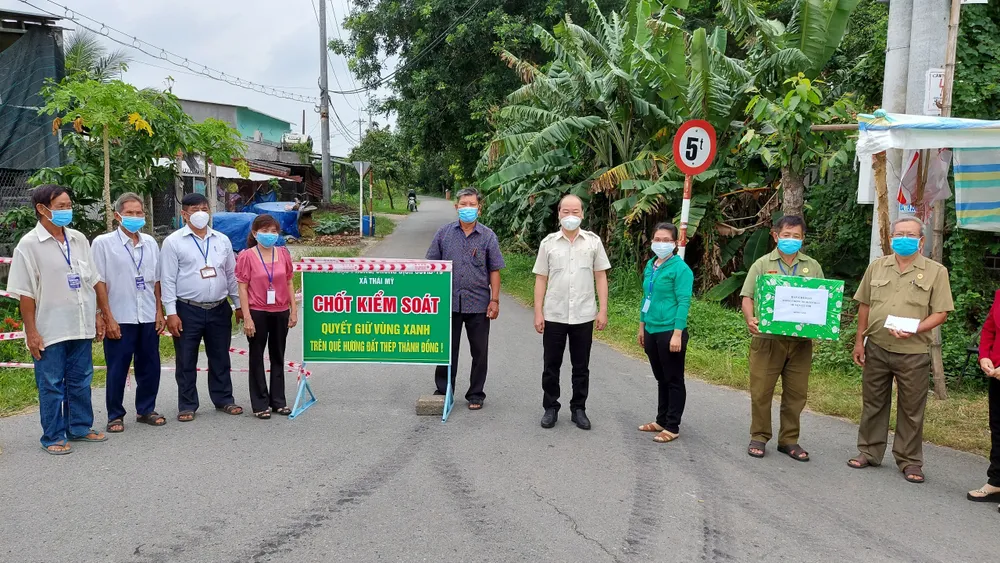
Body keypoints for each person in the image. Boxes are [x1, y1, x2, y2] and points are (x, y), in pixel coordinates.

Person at [849, 216, 953, 484]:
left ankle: (910, 461)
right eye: (899, 234)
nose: (903, 239)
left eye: (910, 234)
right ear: (891, 238)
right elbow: (865, 306)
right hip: (878, 348)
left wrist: (916, 328)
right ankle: (869, 452)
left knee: (911, 409)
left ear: (921, 241)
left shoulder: (935, 271)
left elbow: (940, 313)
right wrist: (860, 341)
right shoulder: (877, 267)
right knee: (873, 403)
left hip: (914, 351)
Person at [7, 184, 108, 454]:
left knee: (81, 379)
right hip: (50, 328)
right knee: (51, 384)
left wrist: (99, 314)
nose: (68, 211)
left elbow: (93, 280)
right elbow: (25, 294)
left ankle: (79, 427)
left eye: (69, 205)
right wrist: (31, 332)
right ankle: (52, 436)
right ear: (42, 209)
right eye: (61, 206)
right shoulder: (28, 245)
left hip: (80, 323)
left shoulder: (78, 239)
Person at [740, 216, 824, 461]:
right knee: (761, 391)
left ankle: (789, 440)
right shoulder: (762, 264)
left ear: (803, 238)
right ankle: (759, 436)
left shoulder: (813, 266)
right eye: (786, 235)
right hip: (768, 339)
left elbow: (822, 300)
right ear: (776, 235)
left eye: (796, 236)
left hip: (800, 343)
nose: (791, 240)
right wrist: (750, 318)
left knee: (796, 394)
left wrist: (822, 326)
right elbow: (748, 296)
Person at [159, 193, 244, 422]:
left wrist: (238, 305)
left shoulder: (222, 240)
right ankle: (187, 404)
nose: (201, 213)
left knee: (220, 357)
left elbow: (231, 275)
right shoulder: (173, 242)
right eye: (195, 209)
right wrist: (171, 313)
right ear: (185, 214)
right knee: (186, 359)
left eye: (204, 209)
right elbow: (167, 279)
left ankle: (224, 399)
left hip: (219, 307)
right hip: (187, 309)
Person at [533, 194, 610, 430]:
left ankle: (579, 409)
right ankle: (550, 407)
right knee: (551, 365)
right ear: (558, 214)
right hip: (554, 314)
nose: (570, 216)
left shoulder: (593, 242)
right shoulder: (548, 243)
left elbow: (601, 276)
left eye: (575, 212)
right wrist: (538, 312)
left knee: (581, 366)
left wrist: (603, 310)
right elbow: (541, 278)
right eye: (565, 211)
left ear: (583, 214)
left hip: (584, 314)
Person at [91, 192, 167, 433]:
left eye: (139, 213)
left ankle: (146, 409)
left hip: (146, 315)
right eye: (129, 213)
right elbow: (99, 282)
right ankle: (115, 415)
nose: (135, 217)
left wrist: (159, 311)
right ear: (117, 216)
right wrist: (106, 316)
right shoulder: (103, 244)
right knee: (117, 367)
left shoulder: (150, 243)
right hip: (120, 316)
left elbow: (155, 281)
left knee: (150, 365)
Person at [426, 187, 505, 410]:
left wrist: (495, 300)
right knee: (446, 349)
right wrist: (432, 298)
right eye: (463, 204)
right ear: (456, 207)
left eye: (472, 205)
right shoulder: (444, 234)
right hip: (448, 303)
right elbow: (432, 265)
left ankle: (476, 394)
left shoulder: (488, 236)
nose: (467, 208)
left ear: (479, 209)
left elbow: (495, 269)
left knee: (479, 351)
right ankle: (444, 389)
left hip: (478, 303)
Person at [636, 223, 693, 443]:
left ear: (676, 243)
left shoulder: (680, 269)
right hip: (651, 328)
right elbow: (646, 298)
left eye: (666, 240)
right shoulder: (651, 265)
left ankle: (672, 425)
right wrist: (642, 326)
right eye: (657, 239)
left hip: (670, 329)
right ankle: (660, 420)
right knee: (661, 378)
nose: (661, 244)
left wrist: (677, 333)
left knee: (674, 379)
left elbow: (683, 302)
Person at [236, 214, 297, 419]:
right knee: (256, 356)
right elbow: (242, 288)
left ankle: (278, 401)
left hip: (280, 311)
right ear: (255, 233)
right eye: (265, 231)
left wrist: (293, 310)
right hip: (258, 311)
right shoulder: (246, 256)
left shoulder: (284, 254)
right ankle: (260, 403)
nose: (269, 235)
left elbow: (289, 282)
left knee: (278, 355)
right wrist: (247, 316)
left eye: (273, 231)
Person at [968, 287, 1000, 505]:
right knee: (998, 427)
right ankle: (996, 481)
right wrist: (984, 356)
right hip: (996, 373)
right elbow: (989, 328)